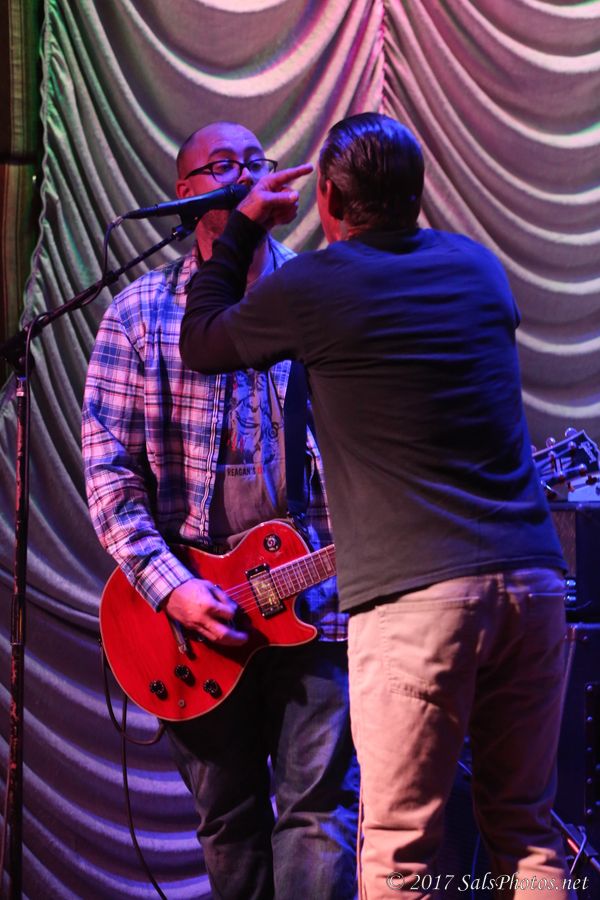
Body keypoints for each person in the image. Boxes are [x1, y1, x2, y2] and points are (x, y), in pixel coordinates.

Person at [179, 113, 572, 899]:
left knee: (400, 852)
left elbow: (201, 339)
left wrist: (243, 227)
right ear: (417, 191)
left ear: (327, 197)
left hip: (417, 602)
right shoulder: (479, 267)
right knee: (528, 837)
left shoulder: (314, 285)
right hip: (532, 586)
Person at [82, 121, 359, 900]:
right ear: (185, 194)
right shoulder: (138, 316)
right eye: (223, 165)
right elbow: (109, 477)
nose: (244, 173)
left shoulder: (321, 297)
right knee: (229, 825)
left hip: (316, 602)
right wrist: (174, 590)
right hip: (196, 620)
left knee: (318, 815)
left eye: (255, 161)